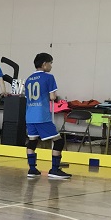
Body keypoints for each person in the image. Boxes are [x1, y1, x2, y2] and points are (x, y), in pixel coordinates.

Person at [25, 52, 71, 180]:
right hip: (42, 116)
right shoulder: (49, 77)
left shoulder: (28, 79)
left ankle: (32, 169)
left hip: (29, 115)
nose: (51, 66)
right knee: (59, 141)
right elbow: (52, 96)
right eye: (50, 63)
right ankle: (54, 169)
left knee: (32, 141)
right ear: (44, 64)